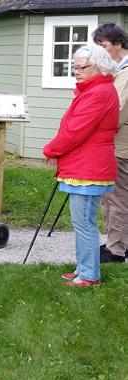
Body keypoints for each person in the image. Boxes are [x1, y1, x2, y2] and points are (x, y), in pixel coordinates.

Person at [43, 44, 119, 287]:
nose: (76, 71)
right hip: (85, 164)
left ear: (98, 66)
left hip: (89, 167)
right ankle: (83, 267)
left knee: (84, 222)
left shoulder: (98, 93)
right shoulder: (94, 90)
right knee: (82, 221)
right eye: (73, 67)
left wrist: (51, 149)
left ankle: (89, 275)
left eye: (81, 67)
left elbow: (76, 131)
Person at [93, 23, 128, 263]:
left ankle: (115, 249)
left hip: (120, 144)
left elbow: (117, 111)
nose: (102, 51)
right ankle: (118, 243)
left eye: (104, 45)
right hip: (116, 142)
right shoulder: (118, 69)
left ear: (118, 43)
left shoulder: (125, 73)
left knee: (115, 198)